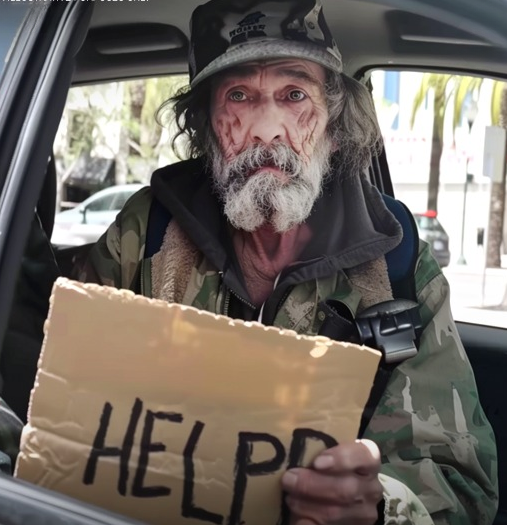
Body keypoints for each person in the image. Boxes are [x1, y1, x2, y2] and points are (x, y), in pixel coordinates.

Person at [78, 0, 498, 523]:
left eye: (294, 94)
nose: (266, 130)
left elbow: (464, 481)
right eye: (239, 96)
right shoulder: (148, 233)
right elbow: (57, 390)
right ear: (207, 127)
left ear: (335, 123)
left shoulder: (396, 262)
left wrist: (381, 504)